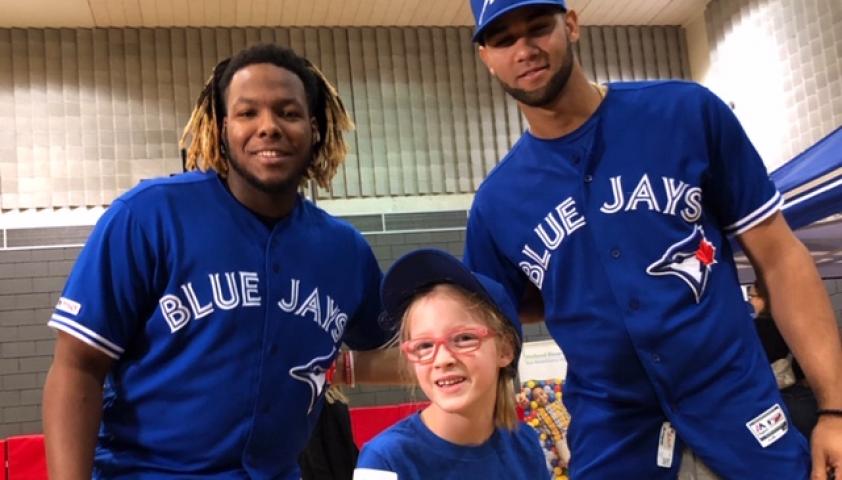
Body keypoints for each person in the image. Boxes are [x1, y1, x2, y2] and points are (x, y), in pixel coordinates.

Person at [461, 0, 842, 478]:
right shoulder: (498, 202)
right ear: (485, 56)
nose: (525, 49)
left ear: (572, 24)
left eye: (539, 27)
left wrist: (835, 411)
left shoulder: (685, 112)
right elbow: (494, 318)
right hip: (615, 444)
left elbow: (782, 257)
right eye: (503, 39)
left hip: (742, 421)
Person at [41, 43, 395, 479]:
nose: (269, 127)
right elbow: (78, 367)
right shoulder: (147, 216)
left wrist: (482, 360)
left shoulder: (345, 251)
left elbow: (392, 351)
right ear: (223, 128)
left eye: (288, 112)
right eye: (248, 113)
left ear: (316, 129)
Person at [353, 249, 551, 480]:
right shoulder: (383, 460)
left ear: (505, 350)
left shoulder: (525, 444)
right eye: (425, 345)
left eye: (464, 338)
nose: (443, 359)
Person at [748, 280, 820, 439]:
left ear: (766, 298)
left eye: (753, 296)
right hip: (802, 396)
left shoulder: (755, 328)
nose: (751, 300)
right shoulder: (797, 323)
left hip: (771, 399)